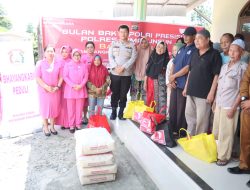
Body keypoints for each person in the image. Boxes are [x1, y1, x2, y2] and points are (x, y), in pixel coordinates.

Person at [212, 39, 247, 166]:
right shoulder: (224, 66)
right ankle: (216, 152)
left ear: (241, 53)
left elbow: (241, 91)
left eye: (235, 51)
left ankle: (224, 157)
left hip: (230, 105)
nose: (232, 53)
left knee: (226, 133)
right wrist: (215, 101)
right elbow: (219, 85)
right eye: (230, 50)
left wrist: (234, 108)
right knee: (217, 131)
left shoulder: (243, 68)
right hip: (220, 103)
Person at [183, 29, 222, 136]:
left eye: (199, 39)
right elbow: (190, 71)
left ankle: (199, 143)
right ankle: (190, 139)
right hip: (191, 90)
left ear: (207, 40)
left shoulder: (215, 54)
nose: (196, 41)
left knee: (202, 120)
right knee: (190, 117)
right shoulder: (195, 53)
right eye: (196, 39)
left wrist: (211, 93)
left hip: (204, 94)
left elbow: (216, 75)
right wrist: (186, 87)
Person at [168, 27, 196, 136]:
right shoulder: (182, 48)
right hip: (174, 82)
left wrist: (174, 76)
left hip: (183, 85)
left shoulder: (194, 50)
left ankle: (180, 131)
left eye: (188, 35)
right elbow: (174, 63)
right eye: (184, 35)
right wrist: (171, 78)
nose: (185, 37)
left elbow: (188, 68)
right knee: (173, 108)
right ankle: (172, 128)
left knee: (181, 110)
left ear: (194, 36)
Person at [227, 52, 250, 175]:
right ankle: (244, 165)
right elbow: (245, 80)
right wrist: (244, 98)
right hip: (246, 107)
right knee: (245, 139)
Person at [108, 24, 137, 120]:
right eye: (121, 32)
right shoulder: (113, 43)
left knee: (123, 94)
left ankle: (121, 113)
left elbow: (133, 58)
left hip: (126, 74)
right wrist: (116, 67)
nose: (123, 34)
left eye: (125, 32)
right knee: (114, 92)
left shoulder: (132, 45)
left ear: (128, 33)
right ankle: (113, 112)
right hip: (115, 73)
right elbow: (110, 57)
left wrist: (123, 67)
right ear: (118, 33)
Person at [36, 45, 63, 136]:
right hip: (44, 91)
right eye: (48, 51)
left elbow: (61, 76)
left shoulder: (58, 63)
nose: (50, 53)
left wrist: (58, 86)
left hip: (55, 90)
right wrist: (46, 87)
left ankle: (52, 127)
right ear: (45, 53)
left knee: (53, 108)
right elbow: (38, 78)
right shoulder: (40, 63)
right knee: (44, 109)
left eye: (52, 51)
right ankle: (46, 128)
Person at [63, 49, 88, 133]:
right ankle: (71, 125)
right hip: (70, 90)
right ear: (72, 56)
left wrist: (81, 85)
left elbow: (85, 77)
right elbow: (65, 77)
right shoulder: (67, 65)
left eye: (78, 55)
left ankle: (78, 124)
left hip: (81, 90)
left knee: (79, 108)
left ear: (80, 56)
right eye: (75, 55)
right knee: (71, 109)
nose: (77, 57)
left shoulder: (84, 65)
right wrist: (73, 85)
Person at [144, 41, 169, 115]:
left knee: (160, 99)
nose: (160, 49)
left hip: (160, 83)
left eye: (162, 47)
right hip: (149, 81)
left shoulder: (166, 60)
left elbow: (167, 74)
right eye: (158, 47)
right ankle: (149, 115)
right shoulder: (152, 56)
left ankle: (158, 115)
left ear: (165, 49)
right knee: (149, 97)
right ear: (156, 47)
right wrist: (145, 82)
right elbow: (147, 71)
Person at [165, 42, 184, 119]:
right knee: (170, 102)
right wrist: (168, 83)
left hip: (178, 86)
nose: (175, 52)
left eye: (177, 50)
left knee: (177, 104)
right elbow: (168, 73)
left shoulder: (182, 61)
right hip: (170, 86)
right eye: (174, 50)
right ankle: (169, 116)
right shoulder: (171, 61)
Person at [130, 36, 151, 102]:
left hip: (146, 76)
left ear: (148, 43)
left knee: (144, 94)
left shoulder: (151, 50)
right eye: (142, 42)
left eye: (145, 42)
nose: (144, 44)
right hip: (135, 74)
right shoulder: (136, 49)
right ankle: (133, 109)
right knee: (134, 93)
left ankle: (143, 110)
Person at [55, 45, 72, 130]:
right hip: (60, 85)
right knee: (61, 104)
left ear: (69, 53)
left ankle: (69, 122)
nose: (64, 54)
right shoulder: (58, 61)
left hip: (68, 86)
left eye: (66, 52)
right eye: (63, 52)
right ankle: (62, 122)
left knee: (69, 104)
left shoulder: (71, 61)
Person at [81, 41, 95, 124]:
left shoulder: (96, 57)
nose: (90, 49)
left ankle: (92, 117)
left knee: (93, 101)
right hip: (85, 82)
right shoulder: (82, 58)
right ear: (85, 49)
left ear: (94, 48)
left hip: (94, 83)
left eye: (91, 47)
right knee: (85, 101)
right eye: (88, 47)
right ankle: (85, 116)